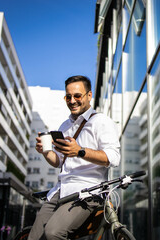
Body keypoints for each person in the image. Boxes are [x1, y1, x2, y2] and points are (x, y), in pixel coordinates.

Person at [28, 75, 120, 240]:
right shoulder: (65, 125)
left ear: (89, 96)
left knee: (54, 233)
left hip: (86, 192)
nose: (72, 100)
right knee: (34, 238)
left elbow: (113, 158)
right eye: (68, 96)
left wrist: (80, 151)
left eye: (77, 96)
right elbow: (60, 162)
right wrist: (46, 152)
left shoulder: (101, 121)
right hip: (60, 190)